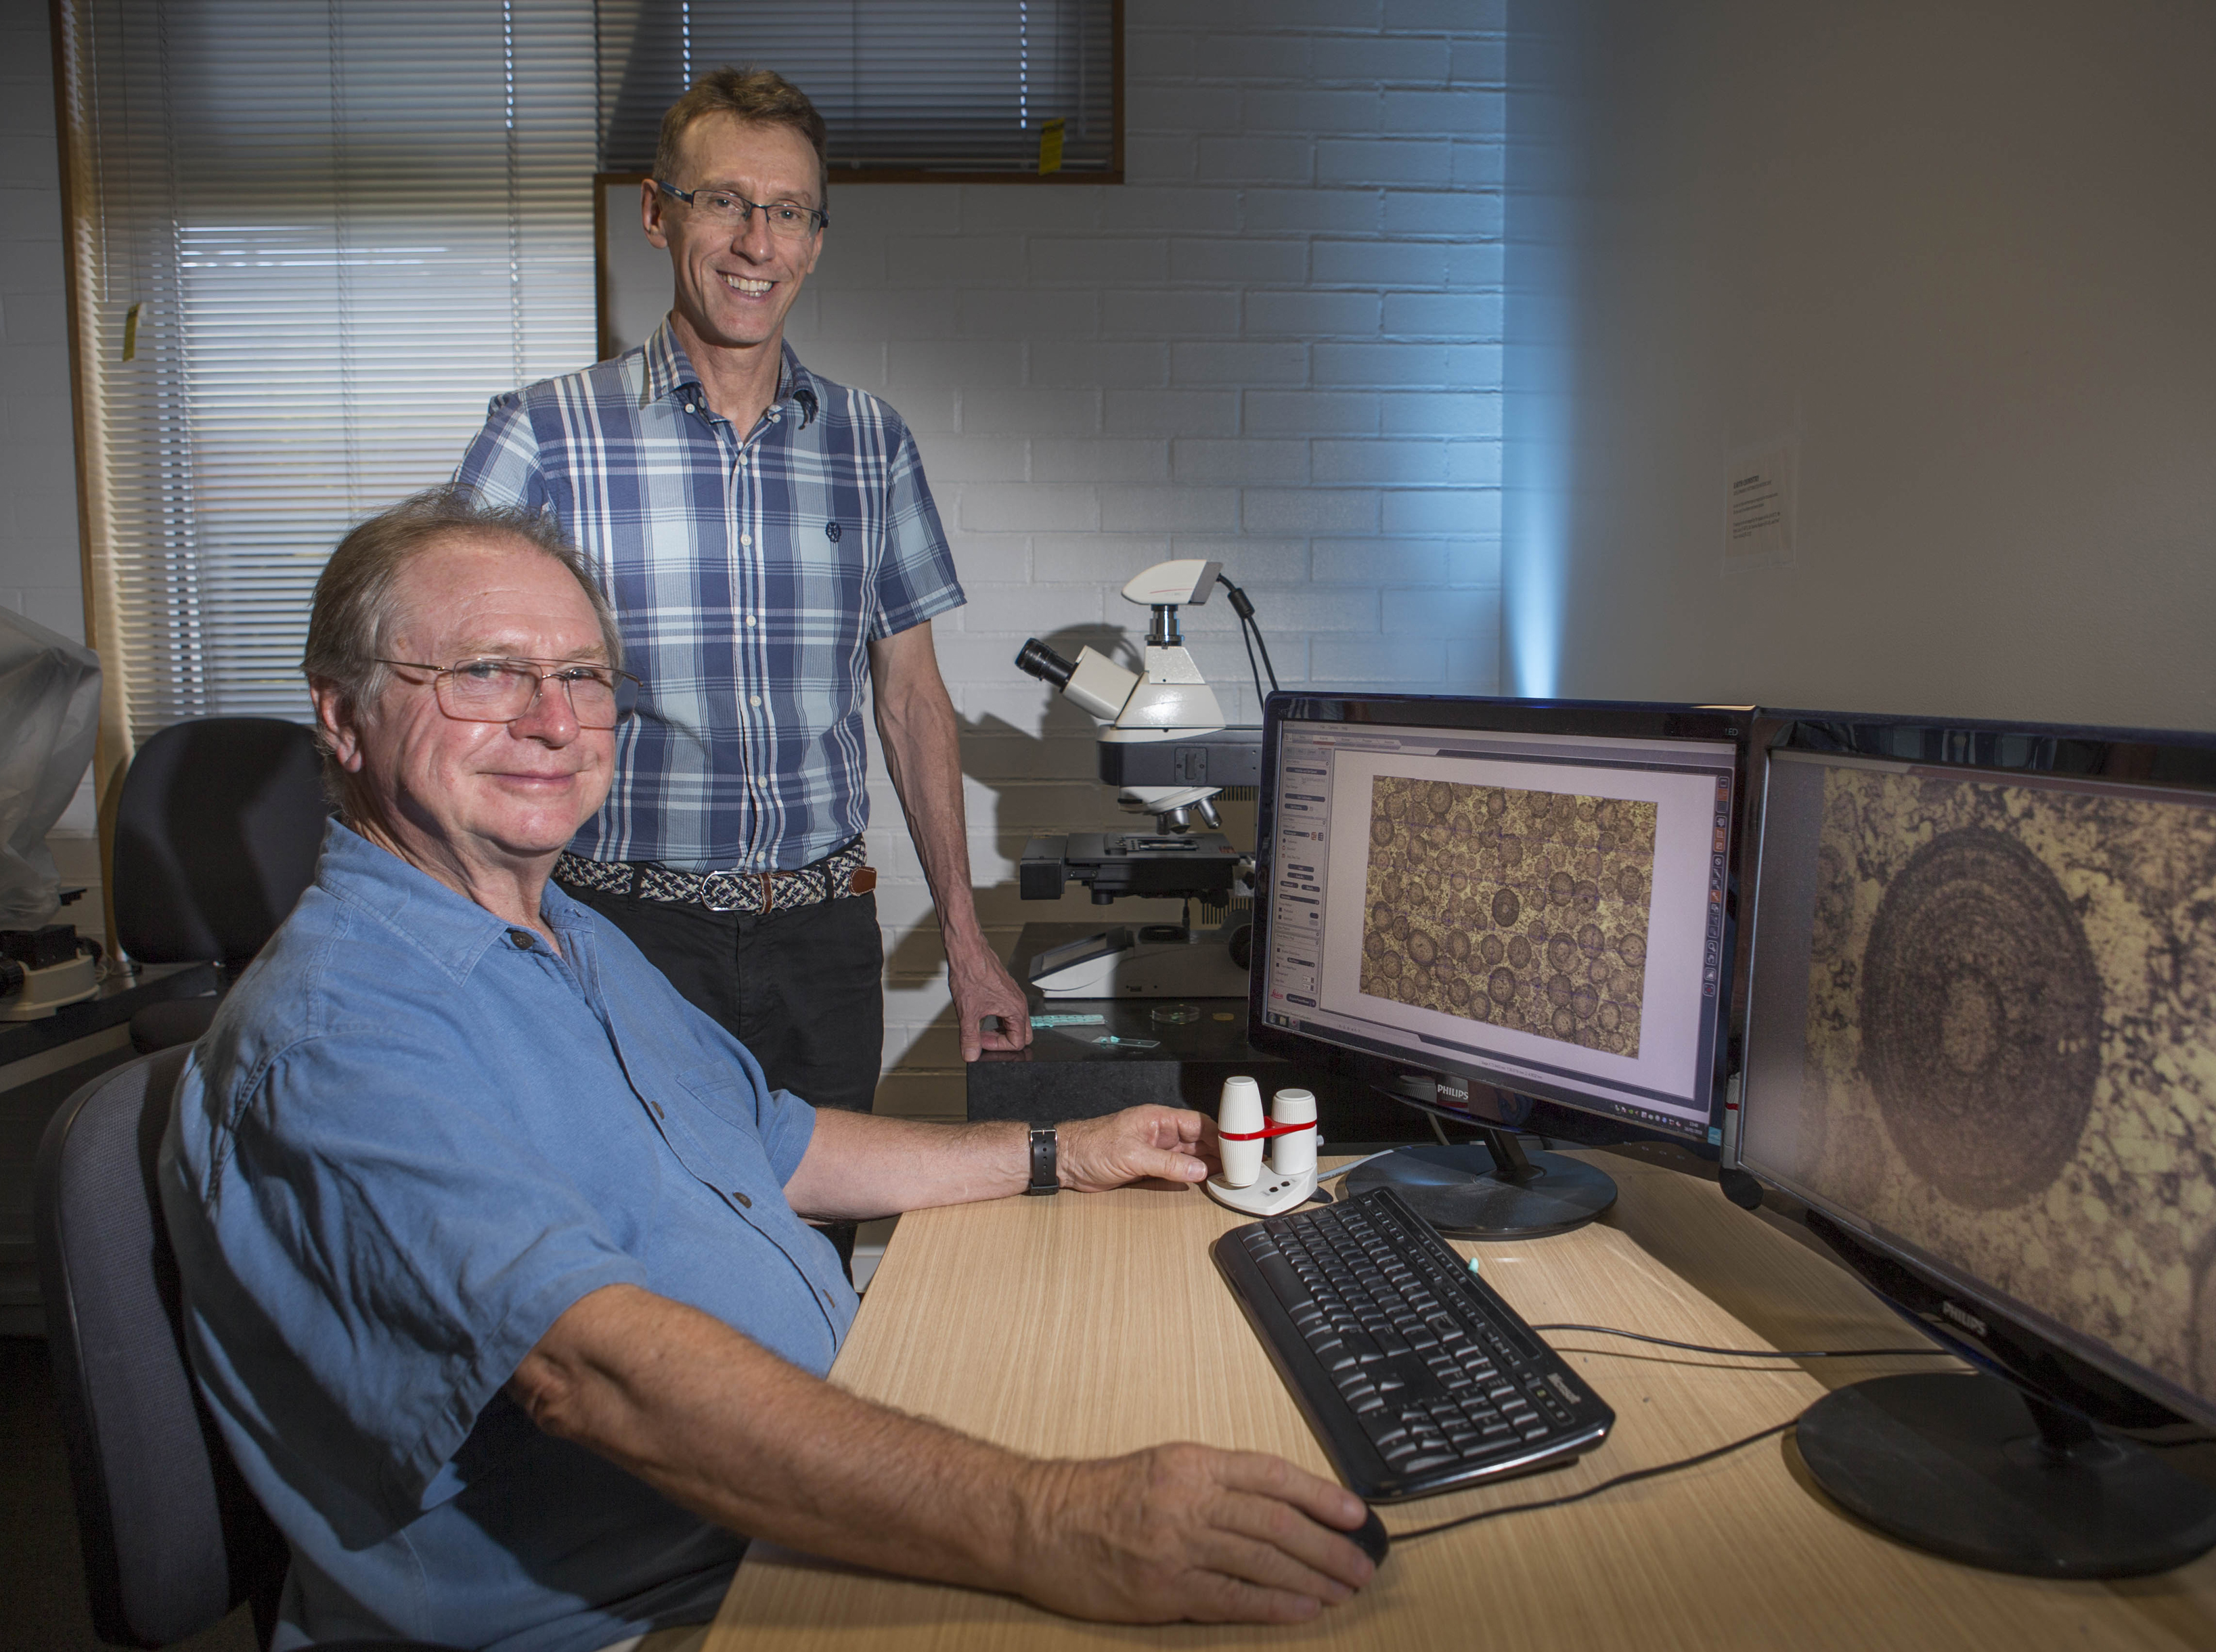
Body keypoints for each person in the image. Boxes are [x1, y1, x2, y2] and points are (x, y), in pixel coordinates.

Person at [158, 492, 1373, 1652]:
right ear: (341, 715)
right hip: (633, 1612)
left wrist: (1064, 1150)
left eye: (581, 675)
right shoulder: (340, 1037)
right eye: (483, 671)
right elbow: (594, 1374)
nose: (551, 720)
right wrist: (1045, 1520)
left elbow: (775, 1138)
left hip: (767, 1523)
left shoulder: (570, 933)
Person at [453, 68, 1029, 1275]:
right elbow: (453, 686)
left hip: (823, 939)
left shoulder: (871, 443)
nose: (756, 242)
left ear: (817, 240)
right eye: (725, 203)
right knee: (642, 1258)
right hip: (619, 933)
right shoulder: (546, 434)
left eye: (790, 212)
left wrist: (967, 941)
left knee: (809, 1261)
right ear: (659, 215)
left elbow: (911, 698)